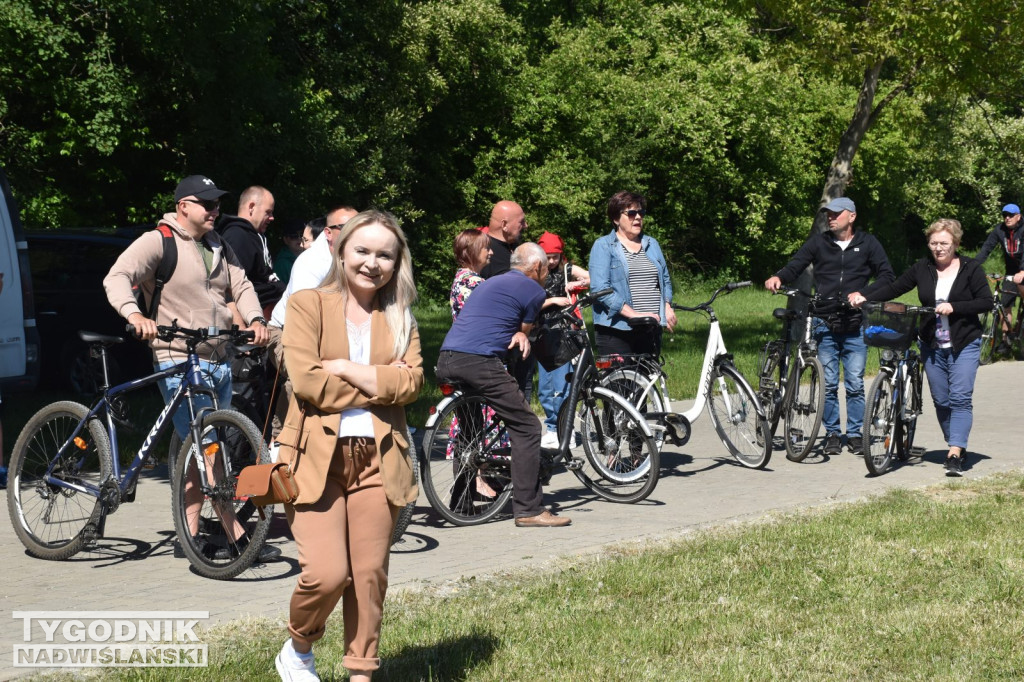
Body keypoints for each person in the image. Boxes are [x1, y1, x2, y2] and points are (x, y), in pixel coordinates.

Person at [275, 210, 422, 682]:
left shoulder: (400, 316)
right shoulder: (307, 305)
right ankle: (298, 647)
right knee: (327, 574)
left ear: (397, 262)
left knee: (370, 575)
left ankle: (362, 672)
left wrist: (351, 369)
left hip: (378, 460)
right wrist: (385, 381)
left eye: (384, 254)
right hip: (315, 459)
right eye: (362, 250)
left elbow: (414, 382)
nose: (372, 263)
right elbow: (309, 383)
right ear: (340, 250)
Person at [102, 174, 276, 560]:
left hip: (216, 357)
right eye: (207, 203)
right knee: (209, 448)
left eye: (217, 204)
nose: (215, 210)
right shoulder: (158, 241)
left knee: (199, 447)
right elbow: (117, 277)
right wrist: (135, 314)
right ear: (183, 206)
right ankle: (237, 537)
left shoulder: (219, 245)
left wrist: (256, 320)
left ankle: (190, 535)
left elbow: (242, 286)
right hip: (176, 354)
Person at [436, 242, 571, 528]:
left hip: (447, 358)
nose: (547, 273)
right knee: (527, 426)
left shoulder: (491, 282)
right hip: (480, 362)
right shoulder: (534, 289)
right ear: (536, 268)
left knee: (470, 432)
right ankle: (529, 508)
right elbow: (524, 331)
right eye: (546, 268)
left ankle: (461, 501)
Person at [850, 219, 990, 476]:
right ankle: (954, 441)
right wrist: (866, 296)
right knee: (941, 399)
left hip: (964, 342)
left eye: (944, 243)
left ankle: (955, 452)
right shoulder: (921, 268)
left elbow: (985, 302)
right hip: (931, 342)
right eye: (934, 243)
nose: (938, 248)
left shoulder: (971, 268)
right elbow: (894, 287)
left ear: (955, 244)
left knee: (960, 397)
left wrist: (955, 307)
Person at [765, 196, 894, 456]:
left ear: (852, 216)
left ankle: (856, 435)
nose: (831, 218)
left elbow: (887, 276)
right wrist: (779, 276)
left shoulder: (867, 243)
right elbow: (797, 264)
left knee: (855, 383)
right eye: (828, 214)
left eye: (836, 214)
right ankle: (833, 433)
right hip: (824, 320)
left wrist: (865, 294)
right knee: (829, 382)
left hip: (855, 322)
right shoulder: (820, 242)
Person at [268, 206, 359, 443]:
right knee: (301, 375)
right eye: (347, 227)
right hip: (284, 331)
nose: (356, 232)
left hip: (329, 334)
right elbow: (302, 322)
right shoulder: (311, 263)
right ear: (329, 233)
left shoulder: (354, 257)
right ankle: (280, 443)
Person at [589, 191, 677, 358]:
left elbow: (664, 279)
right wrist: (635, 315)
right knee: (621, 383)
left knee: (647, 382)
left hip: (650, 328)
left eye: (640, 212)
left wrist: (666, 306)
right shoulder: (603, 246)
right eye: (631, 213)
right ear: (616, 219)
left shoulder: (652, 244)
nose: (637, 217)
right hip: (616, 331)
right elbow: (600, 290)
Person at [536, 231, 589, 448]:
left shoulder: (566, 270)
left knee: (562, 385)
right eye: (547, 256)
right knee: (545, 388)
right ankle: (551, 427)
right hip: (541, 333)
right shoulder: (535, 271)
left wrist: (576, 285)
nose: (551, 261)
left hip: (563, 333)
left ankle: (565, 430)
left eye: (555, 256)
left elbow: (591, 277)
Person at [218, 185, 284, 318]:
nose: (272, 218)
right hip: (255, 320)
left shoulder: (256, 236)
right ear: (251, 207)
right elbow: (233, 288)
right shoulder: (237, 237)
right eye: (268, 212)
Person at [973, 203, 1024, 353]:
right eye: (1004, 215)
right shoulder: (999, 230)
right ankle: (1005, 340)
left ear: (1018, 216)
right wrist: (972, 267)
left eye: (1010, 215)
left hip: (1023, 269)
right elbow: (987, 248)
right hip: (1011, 270)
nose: (1007, 218)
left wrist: (1022, 271)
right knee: (1005, 303)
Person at [449, 227, 492, 320]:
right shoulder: (473, 282)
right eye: (487, 248)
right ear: (473, 250)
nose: (491, 252)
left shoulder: (461, 276)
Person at [480, 200, 528, 279]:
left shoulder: (515, 247)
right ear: (504, 225)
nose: (526, 225)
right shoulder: (485, 255)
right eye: (521, 222)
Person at [273, 219, 306, 283]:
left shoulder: (312, 256)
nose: (299, 238)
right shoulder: (281, 264)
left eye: (302, 235)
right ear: (286, 240)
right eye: (294, 236)